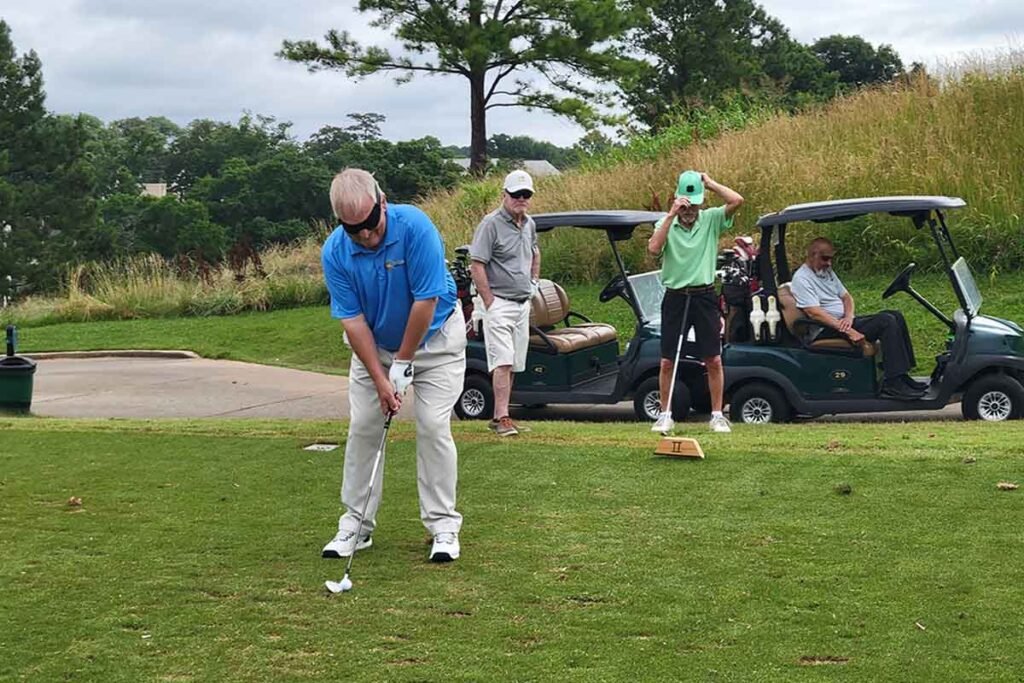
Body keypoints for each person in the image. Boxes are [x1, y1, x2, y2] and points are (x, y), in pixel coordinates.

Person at [320, 168, 467, 563]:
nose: (366, 235)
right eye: (354, 229)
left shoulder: (416, 228)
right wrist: (381, 379)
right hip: (375, 347)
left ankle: (443, 526)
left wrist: (402, 363)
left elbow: (425, 301)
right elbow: (353, 322)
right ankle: (355, 525)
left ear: (382, 202)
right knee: (364, 426)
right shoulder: (335, 252)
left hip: (437, 342)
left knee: (433, 426)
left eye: (371, 222)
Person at [648, 170, 744, 435]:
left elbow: (737, 200)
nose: (690, 210)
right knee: (668, 360)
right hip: (676, 296)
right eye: (686, 205)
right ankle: (665, 414)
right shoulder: (666, 223)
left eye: (695, 205)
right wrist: (671, 214)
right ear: (677, 200)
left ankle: (717, 415)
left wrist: (710, 183)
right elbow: (654, 249)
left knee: (713, 359)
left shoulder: (711, 218)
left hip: (704, 296)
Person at [790, 237, 926, 399]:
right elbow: (814, 313)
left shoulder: (826, 272)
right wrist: (848, 330)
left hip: (842, 322)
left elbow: (846, 297)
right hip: (826, 328)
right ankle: (893, 384)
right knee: (886, 321)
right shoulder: (802, 279)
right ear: (813, 255)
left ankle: (902, 375)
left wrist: (849, 317)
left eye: (831, 259)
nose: (829, 263)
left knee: (895, 315)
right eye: (825, 259)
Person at [469, 169, 541, 437]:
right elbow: (477, 264)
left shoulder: (529, 224)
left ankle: (503, 415)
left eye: (526, 195)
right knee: (503, 361)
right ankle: (501, 417)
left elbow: (535, 253)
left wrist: (533, 283)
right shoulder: (490, 224)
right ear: (505, 195)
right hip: (499, 303)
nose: (521, 199)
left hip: (522, 303)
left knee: (514, 364)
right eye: (516, 194)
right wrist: (489, 301)